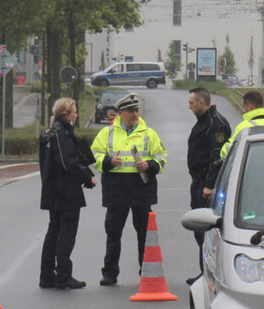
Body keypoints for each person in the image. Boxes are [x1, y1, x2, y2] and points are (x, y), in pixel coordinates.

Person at [91, 93, 167, 286]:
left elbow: (161, 157)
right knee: (113, 233)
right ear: (121, 113)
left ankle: (146, 272)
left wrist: (149, 165)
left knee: (144, 234)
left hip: (141, 188)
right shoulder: (106, 133)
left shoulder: (149, 133)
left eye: (136, 110)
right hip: (116, 189)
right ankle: (109, 273)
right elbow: (95, 155)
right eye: (131, 111)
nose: (135, 114)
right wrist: (108, 161)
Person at [38, 98, 96, 290]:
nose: (77, 114)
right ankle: (63, 275)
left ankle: (46, 276)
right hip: (66, 192)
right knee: (66, 232)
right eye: (74, 111)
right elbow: (68, 163)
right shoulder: (61, 134)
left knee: (53, 231)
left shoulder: (49, 133)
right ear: (66, 115)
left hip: (52, 190)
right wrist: (87, 177)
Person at [186, 87, 231, 284]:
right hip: (197, 181)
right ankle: (204, 271)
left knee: (205, 229)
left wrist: (210, 185)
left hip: (206, 184)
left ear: (202, 103)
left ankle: (209, 273)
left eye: (192, 103)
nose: (189, 107)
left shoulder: (215, 124)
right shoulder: (204, 122)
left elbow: (217, 157)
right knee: (199, 230)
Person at [220, 89, 264, 161]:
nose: (244, 110)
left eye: (244, 107)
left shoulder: (244, 127)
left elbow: (229, 151)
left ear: (249, 106)